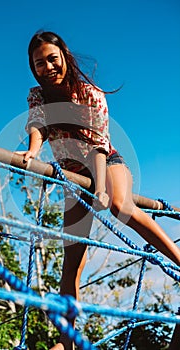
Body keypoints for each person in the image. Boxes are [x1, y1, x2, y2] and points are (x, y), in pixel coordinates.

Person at [20, 31, 180, 350]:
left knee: (120, 205)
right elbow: (37, 126)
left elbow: (98, 144)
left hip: (105, 160)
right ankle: (67, 340)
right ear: (33, 67)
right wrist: (33, 152)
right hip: (72, 175)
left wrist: (101, 186)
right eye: (40, 63)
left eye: (53, 59)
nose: (47, 67)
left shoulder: (89, 93)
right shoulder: (37, 95)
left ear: (64, 57)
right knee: (72, 258)